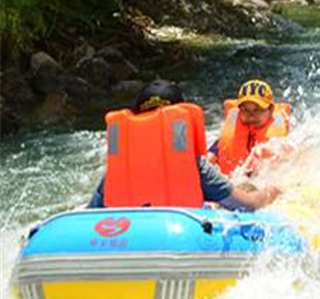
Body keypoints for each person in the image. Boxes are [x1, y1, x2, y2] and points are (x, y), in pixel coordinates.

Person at [88, 80, 280, 212]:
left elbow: (90, 213)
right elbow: (247, 204)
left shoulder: (119, 167)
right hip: (181, 237)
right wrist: (275, 191)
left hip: (129, 240)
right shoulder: (194, 166)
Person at [209, 79, 292, 177]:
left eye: (257, 110)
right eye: (245, 110)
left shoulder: (277, 143)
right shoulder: (230, 133)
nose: (251, 115)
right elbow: (214, 152)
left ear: (270, 110)